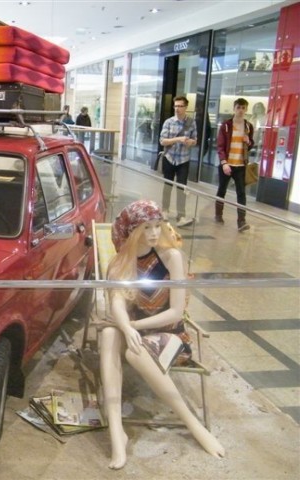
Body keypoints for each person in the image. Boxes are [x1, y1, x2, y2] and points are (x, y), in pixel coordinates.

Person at [98, 200, 225, 470]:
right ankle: (116, 433)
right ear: (132, 232)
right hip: (133, 331)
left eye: (158, 225)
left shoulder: (171, 258)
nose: (154, 233)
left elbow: (176, 313)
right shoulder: (119, 263)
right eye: (146, 227)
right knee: (109, 335)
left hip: (170, 334)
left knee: (135, 351)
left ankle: (193, 425)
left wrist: (134, 328)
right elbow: (117, 304)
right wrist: (126, 326)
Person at [215, 98, 254, 231]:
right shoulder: (226, 126)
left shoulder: (248, 126)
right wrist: (224, 163)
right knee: (222, 190)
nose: (241, 110)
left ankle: (241, 221)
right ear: (234, 109)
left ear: (246, 110)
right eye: (238, 107)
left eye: (243, 108)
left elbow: (250, 145)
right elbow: (220, 146)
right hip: (227, 164)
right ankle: (218, 214)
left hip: (240, 166)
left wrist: (248, 142)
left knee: (241, 193)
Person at [159, 96, 197, 228]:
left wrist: (190, 142)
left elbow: (194, 139)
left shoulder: (191, 122)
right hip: (169, 157)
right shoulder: (169, 122)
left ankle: (181, 216)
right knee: (167, 186)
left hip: (183, 159)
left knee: (182, 187)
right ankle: (164, 211)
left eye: (180, 106)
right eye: (175, 106)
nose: (177, 109)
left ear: (186, 107)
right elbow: (163, 141)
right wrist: (178, 139)